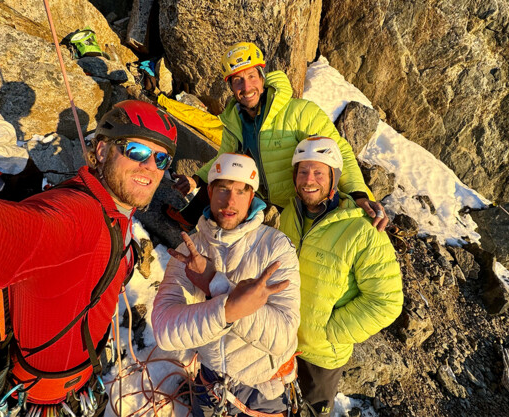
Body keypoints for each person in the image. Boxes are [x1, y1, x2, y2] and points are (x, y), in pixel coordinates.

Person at [0, 100, 177, 416]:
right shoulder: (77, 217)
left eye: (161, 158)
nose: (150, 166)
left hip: (71, 386)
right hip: (41, 400)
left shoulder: (110, 208)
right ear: (103, 151)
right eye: (136, 151)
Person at [166, 41, 388, 232]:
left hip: (307, 198)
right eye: (238, 81)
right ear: (231, 87)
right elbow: (223, 159)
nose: (246, 86)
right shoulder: (235, 120)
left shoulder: (301, 112)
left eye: (252, 76)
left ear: (263, 79)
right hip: (268, 198)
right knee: (228, 169)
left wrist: (359, 194)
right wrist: (196, 179)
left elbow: (338, 151)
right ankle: (190, 219)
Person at [152, 153, 301, 417]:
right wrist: (231, 308)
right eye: (223, 189)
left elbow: (283, 337)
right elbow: (165, 329)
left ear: (252, 196)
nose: (230, 201)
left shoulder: (275, 248)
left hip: (261, 390)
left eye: (241, 191)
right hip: (210, 383)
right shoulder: (191, 250)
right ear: (209, 191)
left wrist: (215, 284)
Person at [278, 137, 403, 416]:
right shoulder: (290, 214)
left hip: (321, 357)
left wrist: (329, 332)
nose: (309, 180)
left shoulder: (364, 229)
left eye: (319, 172)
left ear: (334, 178)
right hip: (281, 340)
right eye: (302, 171)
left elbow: (387, 302)